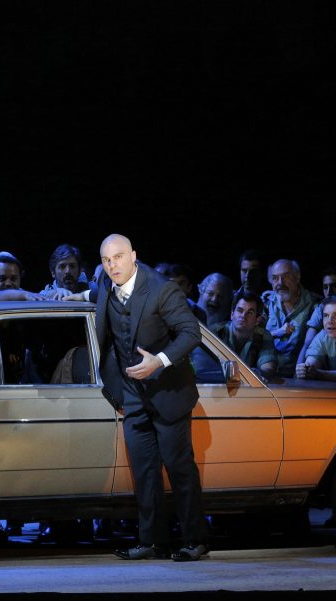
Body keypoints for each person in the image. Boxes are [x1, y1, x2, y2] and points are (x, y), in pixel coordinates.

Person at [64, 234, 207, 561]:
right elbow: (95, 293)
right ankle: (152, 541)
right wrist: (62, 295)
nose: (112, 265)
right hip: (132, 395)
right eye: (106, 259)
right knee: (144, 472)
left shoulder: (161, 289)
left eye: (118, 257)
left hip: (168, 391)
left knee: (179, 469)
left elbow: (191, 333)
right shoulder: (105, 280)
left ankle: (195, 540)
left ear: (134, 256)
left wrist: (159, 360)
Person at [263, 259, 320, 377]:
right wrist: (277, 332)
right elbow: (254, 334)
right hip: (266, 376)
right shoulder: (265, 302)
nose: (280, 283)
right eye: (275, 278)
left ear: (297, 277)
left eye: (285, 277)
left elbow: (312, 346)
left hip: (296, 378)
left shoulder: (314, 305)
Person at [294, 296, 336, 381]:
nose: (329, 321)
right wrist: (305, 369)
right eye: (326, 315)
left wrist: (319, 374)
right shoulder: (323, 335)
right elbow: (311, 365)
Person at [212, 292, 276, 374]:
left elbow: (268, 369)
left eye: (250, 313)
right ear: (232, 314)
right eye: (239, 310)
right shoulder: (216, 332)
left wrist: (259, 374)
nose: (243, 316)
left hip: (250, 385)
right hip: (217, 385)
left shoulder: (263, 335)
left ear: (258, 320)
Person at [296, 267, 336, 365]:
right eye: (325, 287)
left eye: (334, 286)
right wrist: (298, 369)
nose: (329, 292)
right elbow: (308, 342)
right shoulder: (321, 308)